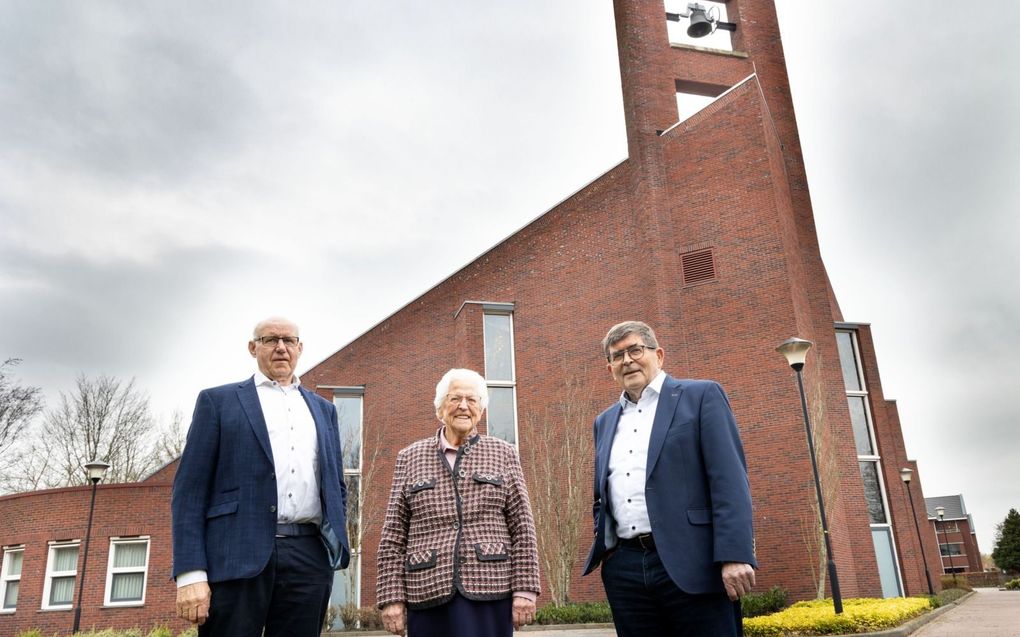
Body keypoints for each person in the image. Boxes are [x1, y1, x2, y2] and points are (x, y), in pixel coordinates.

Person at [171, 317, 350, 637]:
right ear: (253, 348)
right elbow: (189, 493)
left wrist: (331, 542)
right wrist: (190, 573)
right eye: (270, 340)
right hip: (236, 556)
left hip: (308, 557)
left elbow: (335, 485)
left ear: (300, 348)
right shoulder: (218, 402)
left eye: (289, 340)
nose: (281, 347)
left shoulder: (324, 410)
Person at [583, 321, 756, 637]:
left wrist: (734, 554)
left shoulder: (700, 396)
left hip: (696, 562)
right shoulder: (604, 421)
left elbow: (729, 479)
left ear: (658, 355)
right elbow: (602, 495)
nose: (627, 360)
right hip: (626, 569)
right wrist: (609, 551)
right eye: (617, 355)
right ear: (610, 368)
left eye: (635, 350)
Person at [376, 368, 540, 636]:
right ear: (440, 408)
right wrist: (391, 597)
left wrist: (525, 590)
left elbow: (523, 528)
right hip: (426, 592)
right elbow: (393, 535)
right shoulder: (409, 457)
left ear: (481, 409)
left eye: (472, 400)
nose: (463, 406)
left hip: (491, 591)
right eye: (455, 399)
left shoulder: (504, 453)